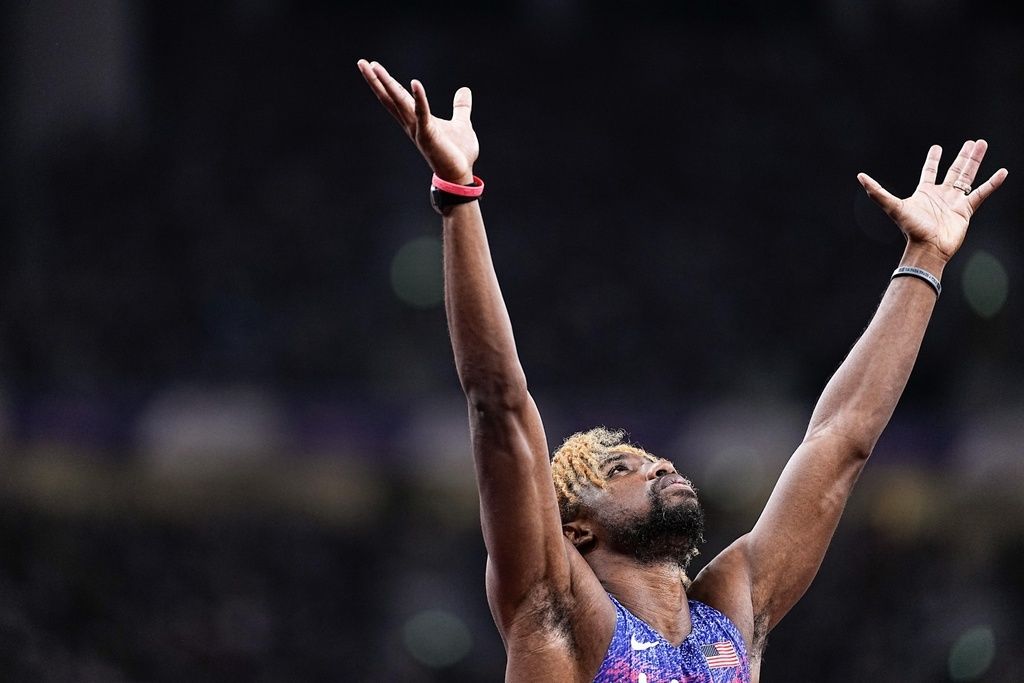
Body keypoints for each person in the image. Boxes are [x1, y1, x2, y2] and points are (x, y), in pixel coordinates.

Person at [356, 58, 1008, 683]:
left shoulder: (732, 612)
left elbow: (840, 442)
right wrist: (459, 196)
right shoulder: (558, 608)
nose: (658, 465)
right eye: (620, 470)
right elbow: (498, 403)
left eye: (648, 458)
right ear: (576, 527)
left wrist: (923, 261)